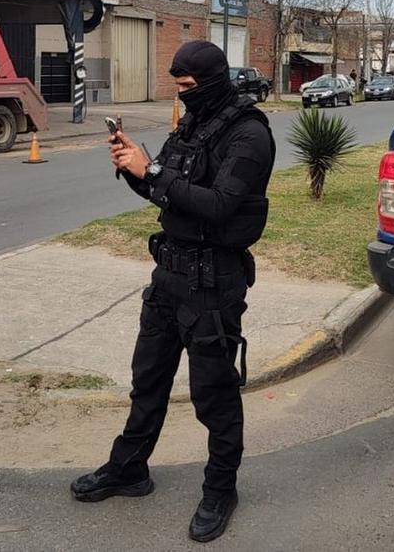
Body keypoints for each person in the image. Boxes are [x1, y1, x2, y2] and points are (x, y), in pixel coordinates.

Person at [71, 41, 275, 544]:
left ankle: (221, 488)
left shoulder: (249, 133)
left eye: (188, 88)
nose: (183, 97)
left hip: (214, 284)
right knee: (149, 381)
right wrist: (133, 169)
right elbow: (164, 188)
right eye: (178, 89)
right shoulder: (193, 125)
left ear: (210, 81)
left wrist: (153, 171)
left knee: (214, 395)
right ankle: (129, 469)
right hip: (169, 276)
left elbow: (221, 205)